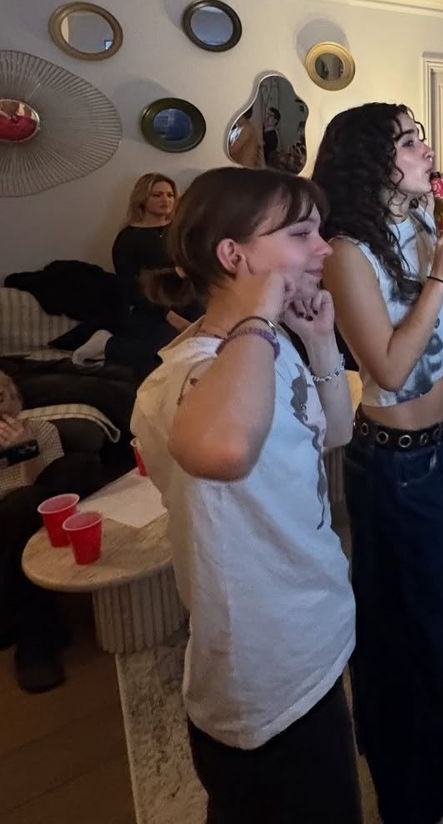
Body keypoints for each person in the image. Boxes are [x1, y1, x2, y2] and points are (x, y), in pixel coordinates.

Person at [312, 13, 443, 824]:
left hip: (438, 444)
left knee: (409, 620)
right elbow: (389, 369)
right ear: (372, 162)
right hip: (397, 463)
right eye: (409, 140)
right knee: (411, 629)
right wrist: (438, 277)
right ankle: (423, 796)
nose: (425, 148)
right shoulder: (346, 251)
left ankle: (410, 771)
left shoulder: (422, 209)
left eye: (421, 135)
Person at [131, 167, 360, 823]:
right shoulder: (189, 377)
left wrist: (319, 341)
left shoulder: (267, 344)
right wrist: (260, 314)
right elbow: (224, 448)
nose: (324, 248)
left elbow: (333, 433)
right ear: (233, 255)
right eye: (301, 234)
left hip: (311, 632)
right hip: (263, 670)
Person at [0, 372, 108, 693]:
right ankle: (34, 639)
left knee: (77, 467)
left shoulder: (42, 430)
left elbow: (46, 496)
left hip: (34, 519)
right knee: (21, 505)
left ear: (16, 400)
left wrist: (24, 451)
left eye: (1, 398)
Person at [70, 173, 193, 379]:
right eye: (157, 195)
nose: (165, 200)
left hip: (186, 301)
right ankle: (107, 345)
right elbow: (131, 288)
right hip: (149, 310)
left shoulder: (181, 231)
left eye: (170, 195)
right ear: (142, 199)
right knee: (167, 345)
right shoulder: (128, 238)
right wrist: (171, 317)